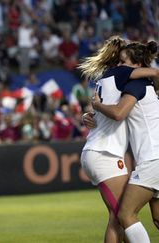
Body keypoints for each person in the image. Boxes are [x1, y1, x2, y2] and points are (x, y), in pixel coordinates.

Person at [78, 36, 159, 243]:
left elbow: (112, 113)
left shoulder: (110, 79)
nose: (123, 64)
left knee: (123, 216)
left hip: (102, 150)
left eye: (125, 61)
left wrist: (92, 111)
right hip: (106, 152)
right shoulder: (127, 77)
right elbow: (155, 72)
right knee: (121, 217)